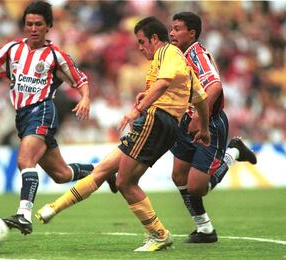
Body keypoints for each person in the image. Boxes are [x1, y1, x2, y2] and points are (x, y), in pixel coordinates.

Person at [36, 16, 211, 252]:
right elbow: (200, 98)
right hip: (165, 124)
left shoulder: (166, 52)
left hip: (155, 120)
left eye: (141, 42)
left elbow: (162, 85)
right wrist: (204, 129)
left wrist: (136, 110)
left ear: (154, 39)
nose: (139, 48)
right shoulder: (179, 62)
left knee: (125, 182)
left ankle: (158, 234)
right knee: (103, 170)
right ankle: (53, 208)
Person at [0, 1, 116, 236]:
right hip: (22, 116)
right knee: (61, 174)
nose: (33, 28)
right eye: (29, 24)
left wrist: (85, 99)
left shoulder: (55, 56)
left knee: (24, 160)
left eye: (38, 24)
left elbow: (80, 80)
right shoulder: (12, 50)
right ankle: (106, 171)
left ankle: (23, 215)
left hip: (41, 110)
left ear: (48, 26)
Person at [169, 12, 257, 243]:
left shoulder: (197, 54)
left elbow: (215, 86)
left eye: (177, 28)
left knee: (198, 187)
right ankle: (205, 229)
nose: (171, 32)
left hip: (209, 122)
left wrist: (200, 117)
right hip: (187, 122)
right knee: (179, 175)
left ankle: (233, 152)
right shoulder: (179, 54)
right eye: (171, 28)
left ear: (192, 33)